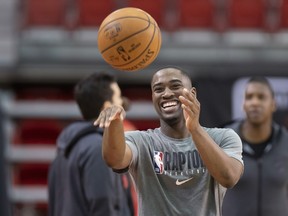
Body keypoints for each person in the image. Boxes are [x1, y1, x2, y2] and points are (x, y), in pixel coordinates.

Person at [94, 67, 244, 216]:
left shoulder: (223, 137)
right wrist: (114, 123)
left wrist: (195, 129)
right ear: (153, 97)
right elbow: (114, 159)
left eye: (175, 86)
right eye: (158, 89)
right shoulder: (141, 141)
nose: (166, 94)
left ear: (193, 93)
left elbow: (229, 178)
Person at [48, 72, 135, 216]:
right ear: (108, 108)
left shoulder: (65, 147)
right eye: (119, 97)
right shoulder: (99, 148)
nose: (123, 103)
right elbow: (104, 204)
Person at [222, 76, 288, 216]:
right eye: (249, 97)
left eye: (261, 97)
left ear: (273, 104)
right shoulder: (224, 141)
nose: (255, 102)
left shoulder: (285, 141)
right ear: (243, 104)